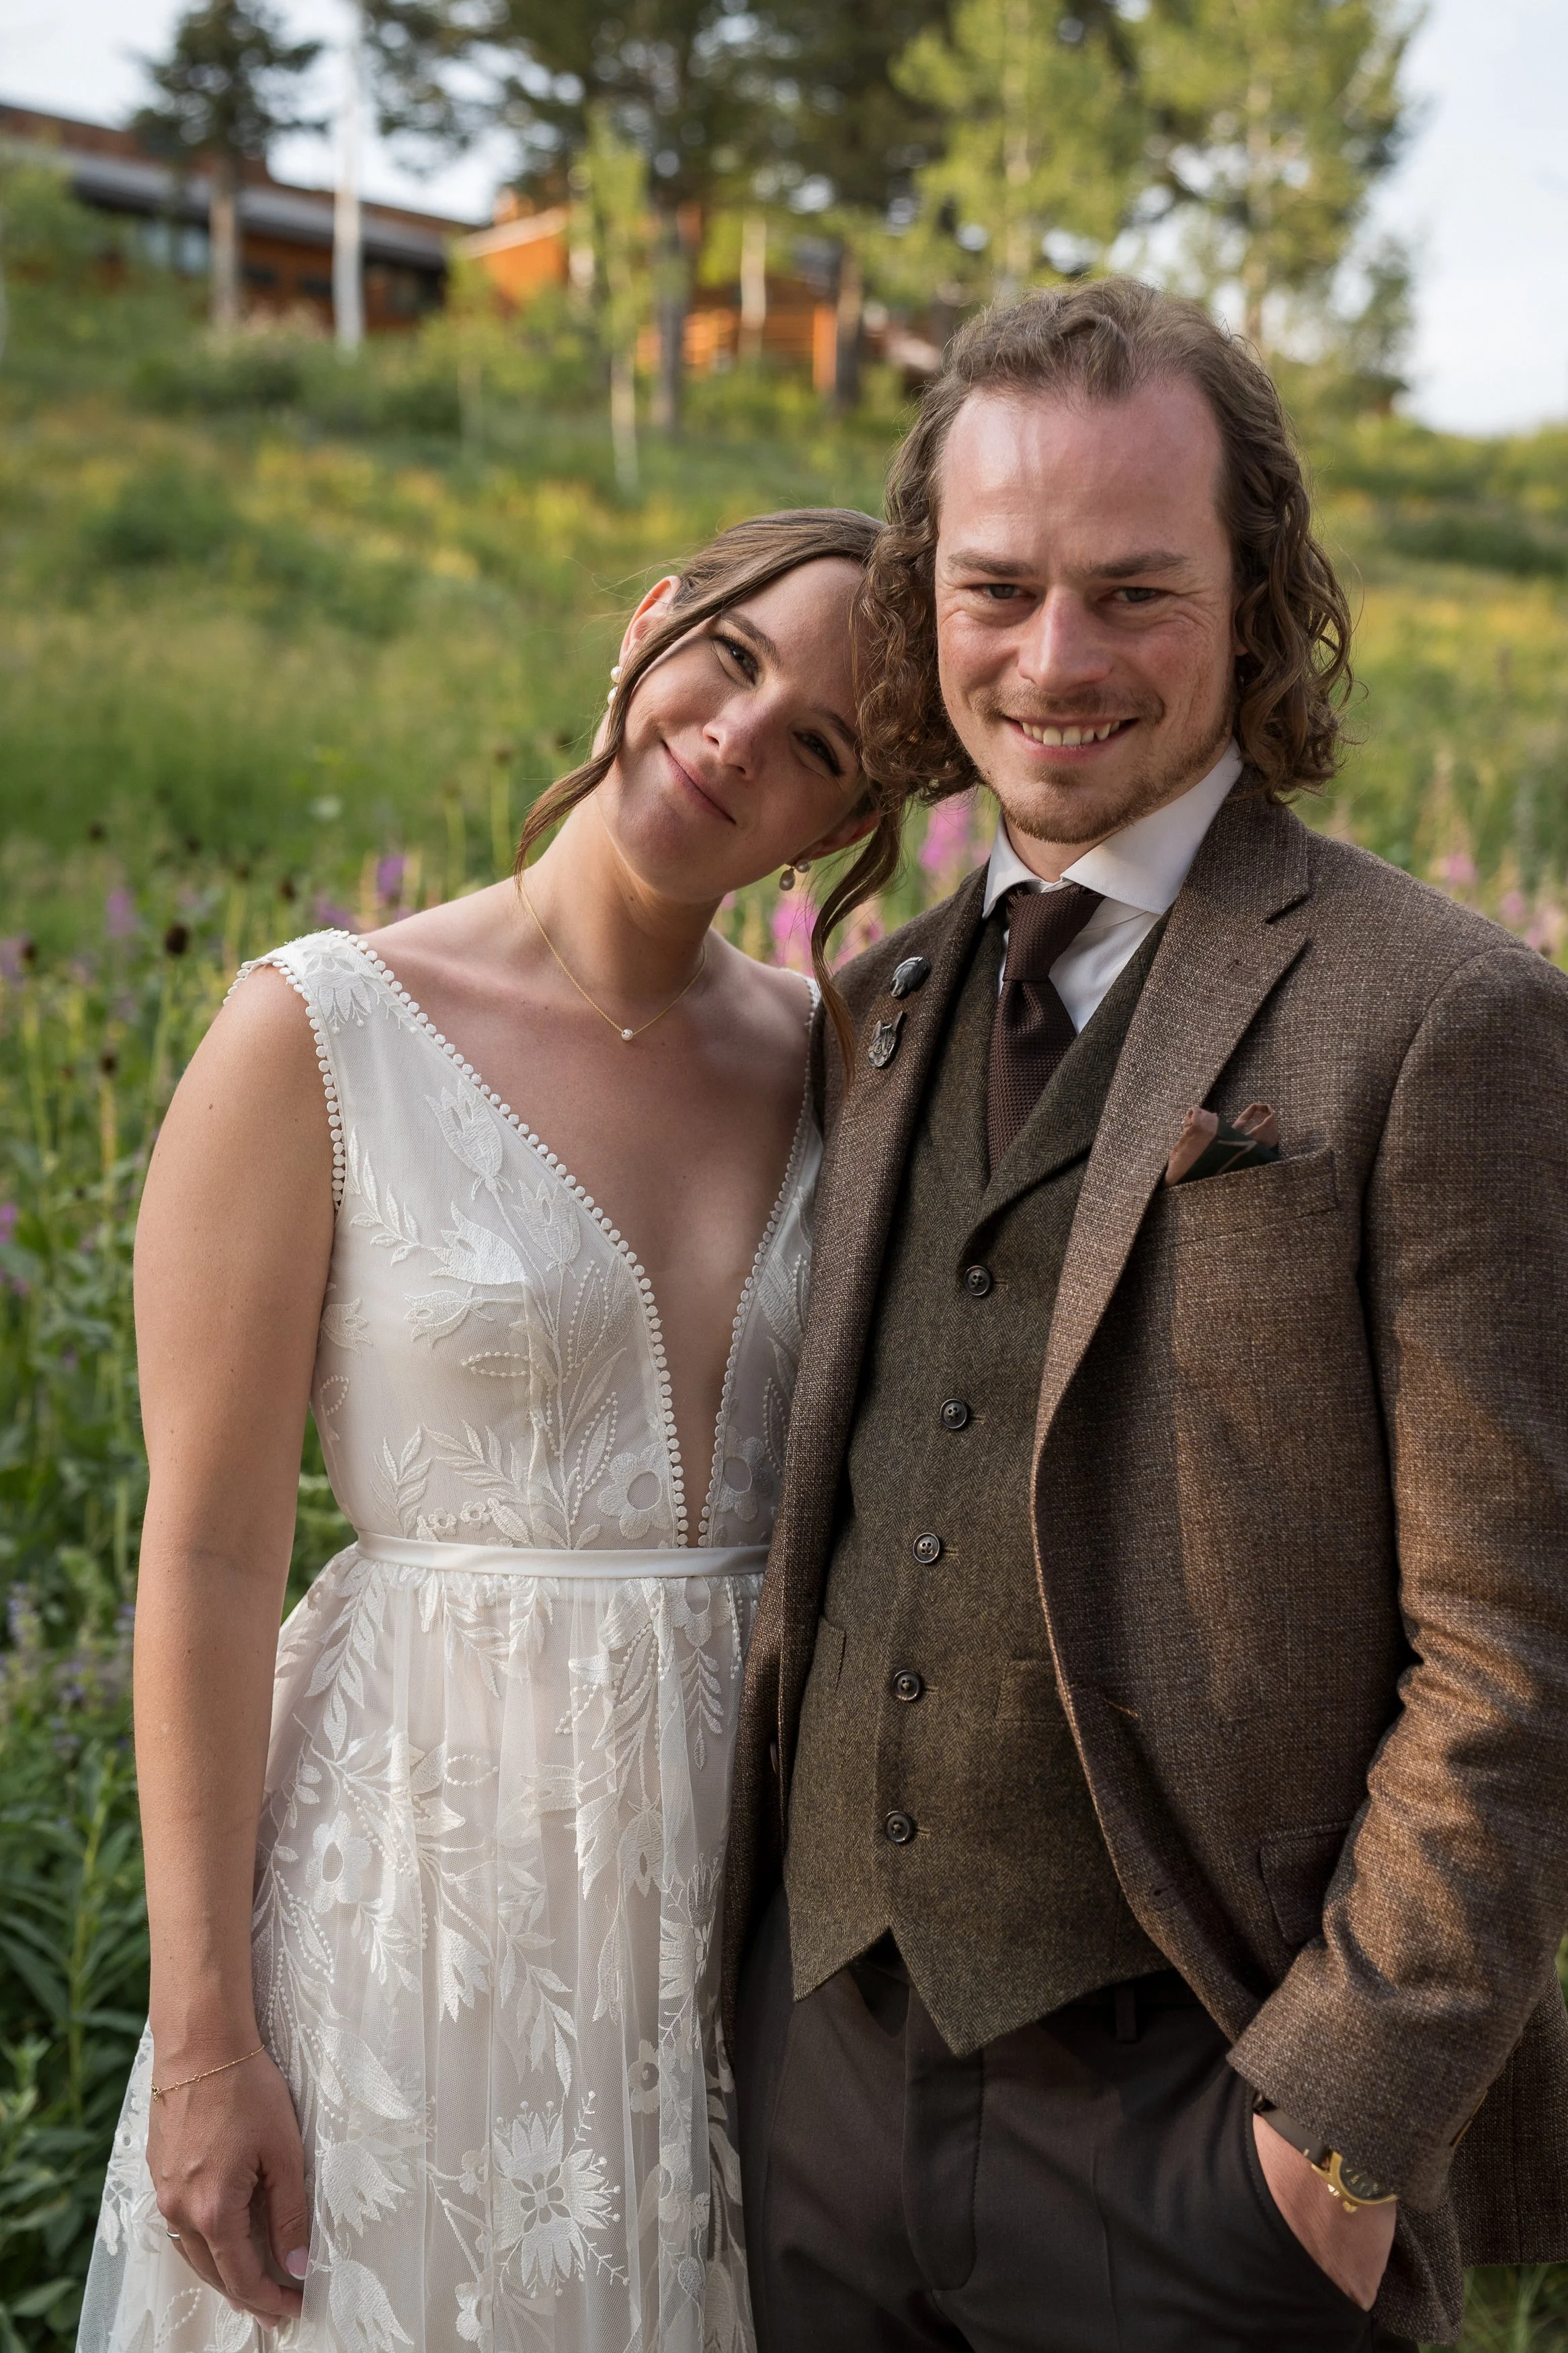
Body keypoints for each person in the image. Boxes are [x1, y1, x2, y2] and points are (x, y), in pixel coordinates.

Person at [725, 280, 1568, 2353]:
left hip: (1200, 2135)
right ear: (927, 594)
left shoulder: (1435, 1013)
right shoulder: (875, 1001)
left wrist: (1334, 2141)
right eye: (997, 588)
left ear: (1257, 599)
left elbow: (1518, 1649)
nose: (1053, 660)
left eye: (1133, 592)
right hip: (814, 2093)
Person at [78, 507, 895, 2353]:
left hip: (749, 1925)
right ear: (647, 627)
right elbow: (205, 1556)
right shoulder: (315, 1031)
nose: (738, 734)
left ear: (844, 824)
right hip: (412, 1904)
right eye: (733, 658)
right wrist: (208, 2036)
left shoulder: (846, 1063)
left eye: (824, 744)